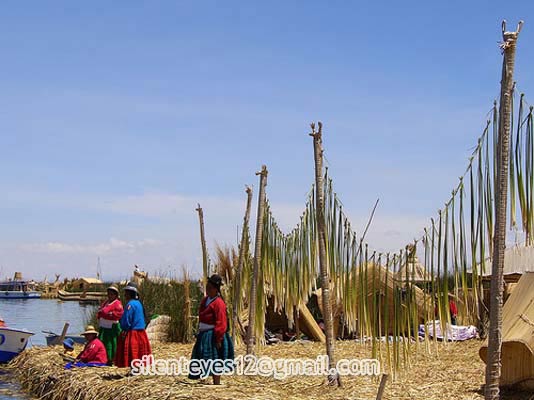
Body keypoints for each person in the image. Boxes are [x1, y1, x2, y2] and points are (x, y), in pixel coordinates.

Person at [189, 274, 234, 385]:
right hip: (204, 334)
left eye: (209, 288)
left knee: (215, 358)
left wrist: (218, 338)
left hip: (213, 334)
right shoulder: (205, 300)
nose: (207, 290)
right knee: (202, 355)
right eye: (207, 287)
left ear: (215, 289)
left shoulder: (219, 303)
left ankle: (216, 382)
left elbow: (221, 321)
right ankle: (202, 377)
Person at [114, 282, 152, 368]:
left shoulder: (130, 305)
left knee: (133, 352)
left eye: (127, 292)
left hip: (133, 332)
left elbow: (127, 319)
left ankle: (134, 369)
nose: (125, 294)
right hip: (141, 332)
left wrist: (123, 329)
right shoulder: (139, 303)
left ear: (131, 293)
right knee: (139, 351)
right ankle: (138, 368)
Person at [97, 286, 124, 365]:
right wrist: (104, 314)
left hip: (112, 328)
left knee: (111, 344)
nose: (110, 296)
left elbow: (119, 314)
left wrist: (107, 314)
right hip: (104, 327)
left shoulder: (117, 303)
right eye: (108, 294)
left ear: (116, 295)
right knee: (102, 342)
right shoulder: (106, 302)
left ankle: (111, 359)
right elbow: (101, 312)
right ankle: (103, 357)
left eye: (112, 294)